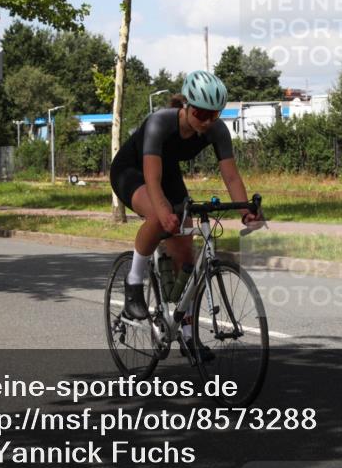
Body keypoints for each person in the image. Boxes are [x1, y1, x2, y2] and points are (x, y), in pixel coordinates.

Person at [109, 70, 263, 356]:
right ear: (187, 106)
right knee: (159, 218)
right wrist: (164, 210)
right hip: (132, 171)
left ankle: (189, 335)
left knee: (185, 256)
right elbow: (152, 180)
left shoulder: (216, 130)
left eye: (213, 115)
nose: (206, 121)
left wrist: (245, 210)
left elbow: (231, 177)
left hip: (168, 175)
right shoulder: (160, 121)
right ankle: (133, 285)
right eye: (201, 114)